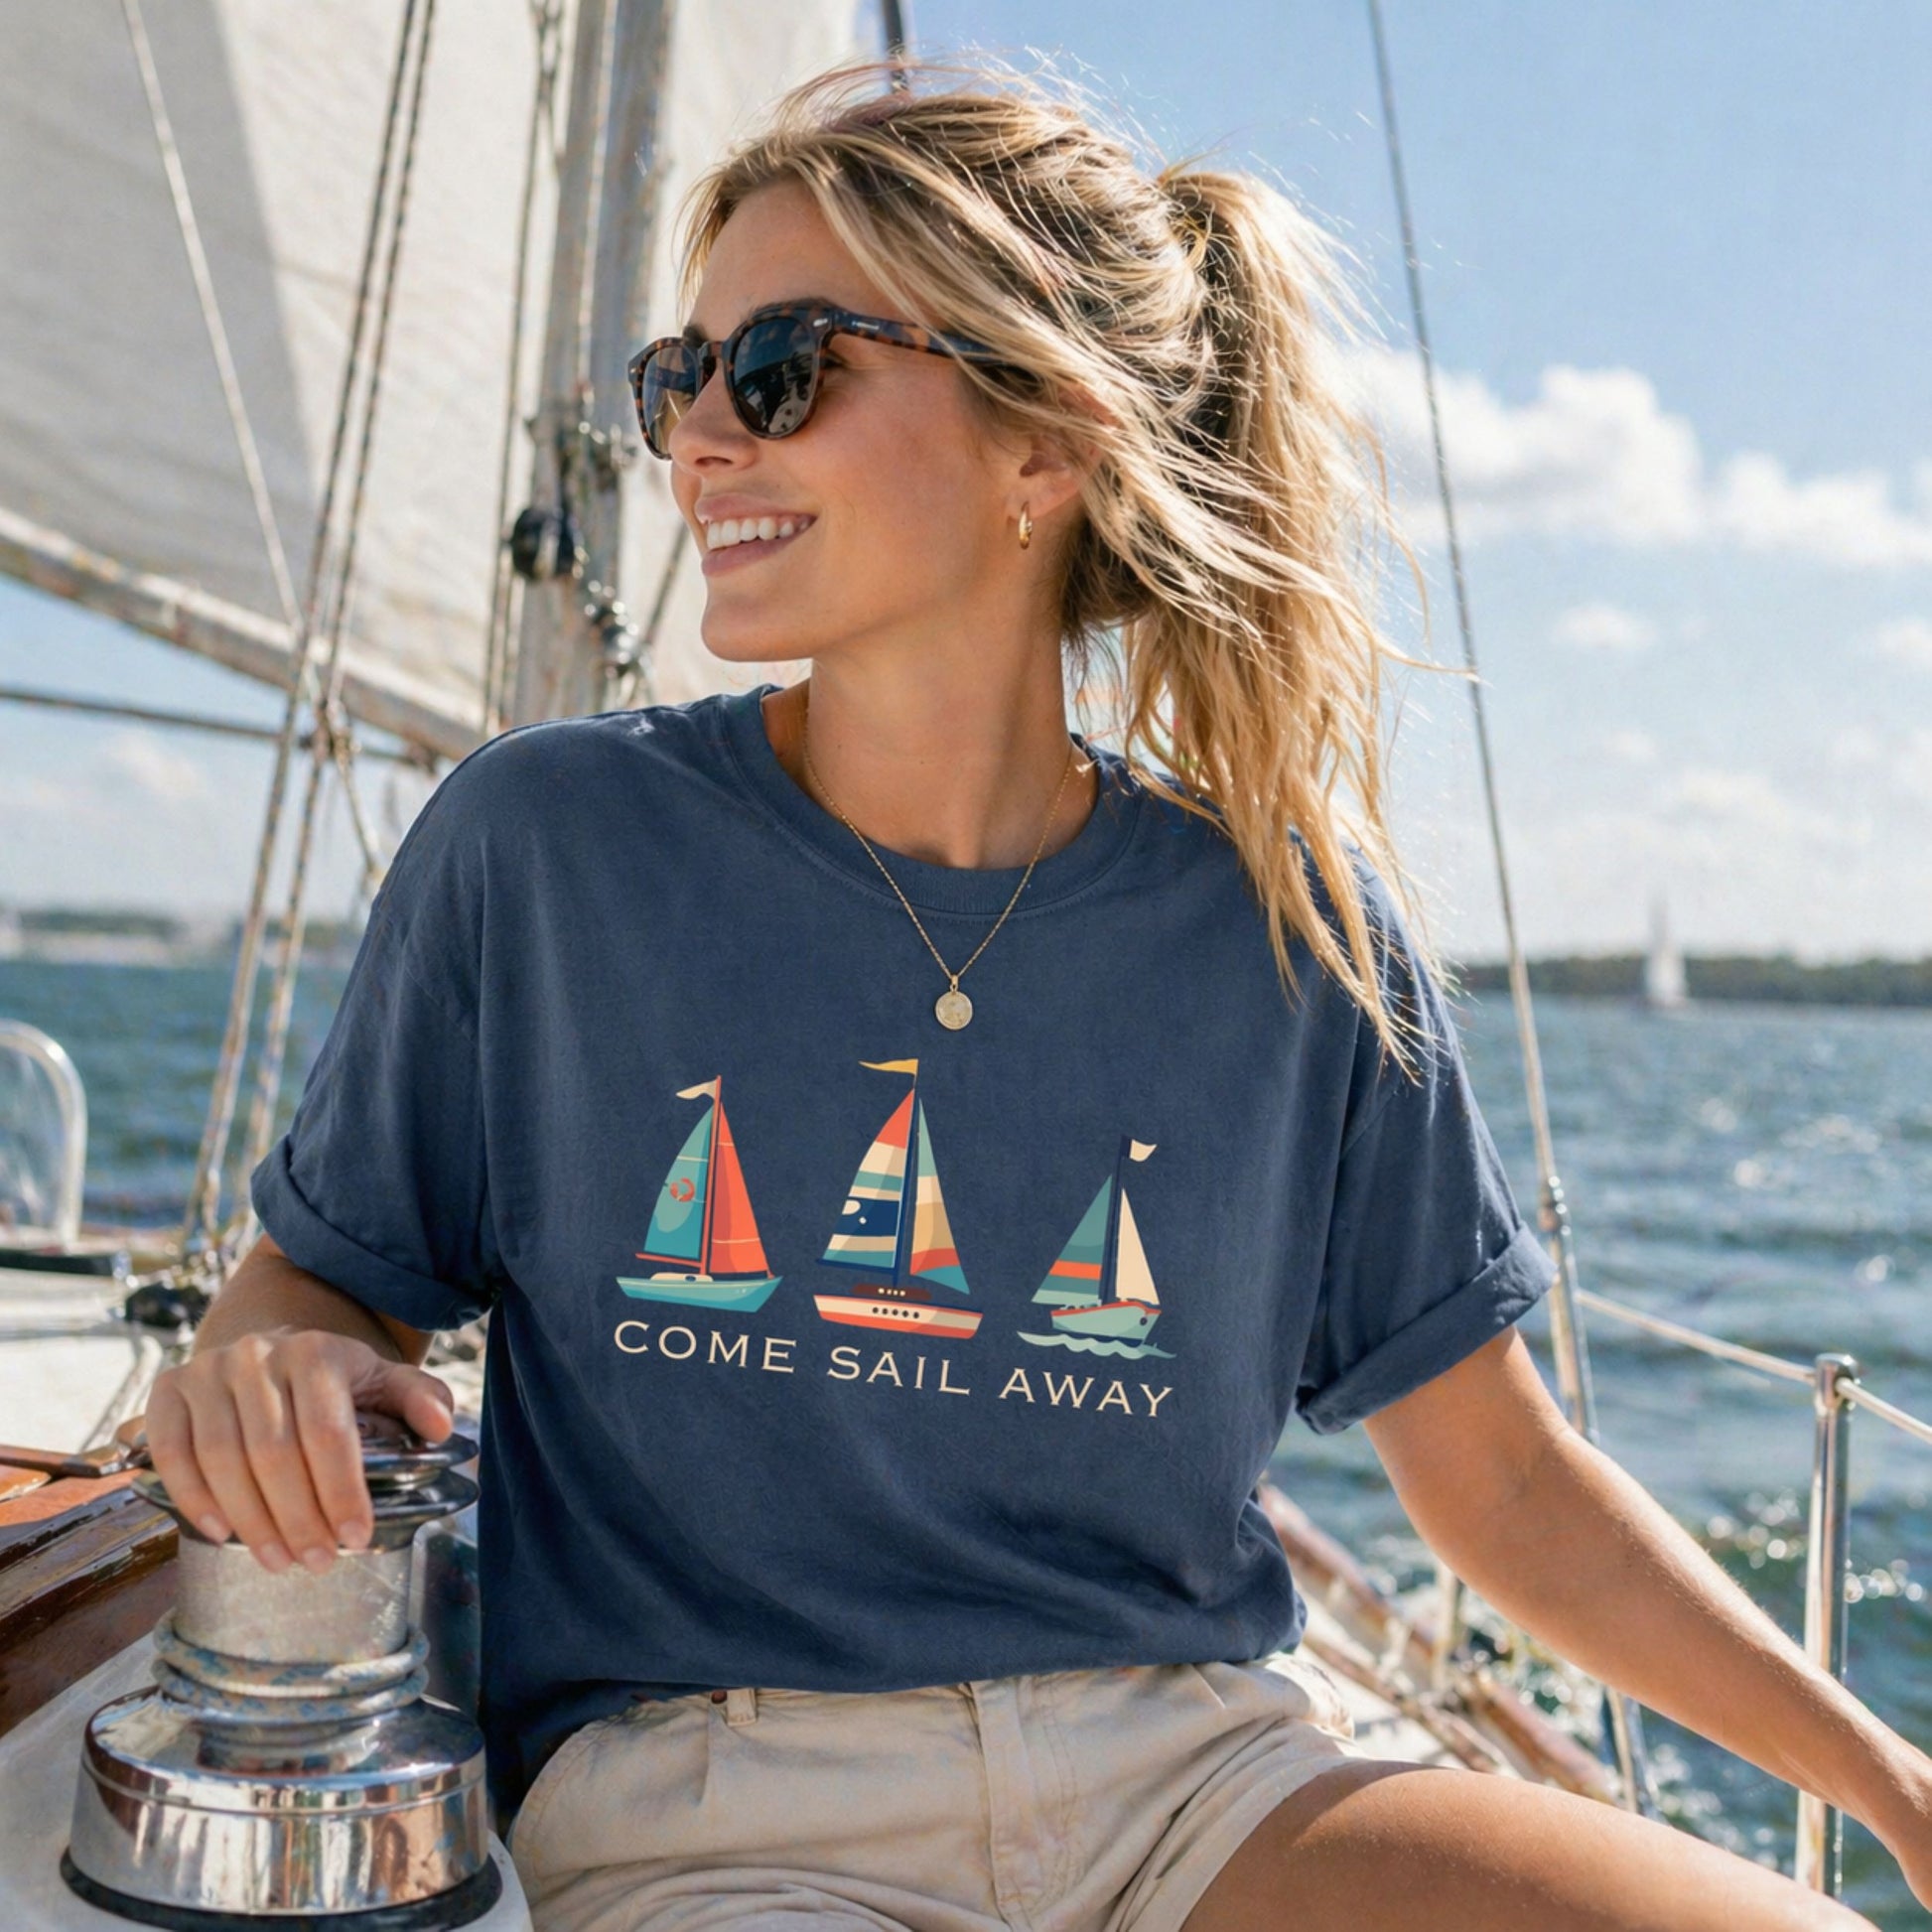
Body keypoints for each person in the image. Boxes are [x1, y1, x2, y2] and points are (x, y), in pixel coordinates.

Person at [145, 59, 1928, 1932]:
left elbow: (1501, 1481)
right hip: (715, 1806)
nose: (698, 444)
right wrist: (268, 1357)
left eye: (779, 373)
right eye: (681, 381)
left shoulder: (1294, 930)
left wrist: (1891, 1787)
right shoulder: (546, 846)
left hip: (1201, 1776)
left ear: (1045, 442)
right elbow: (326, 1276)